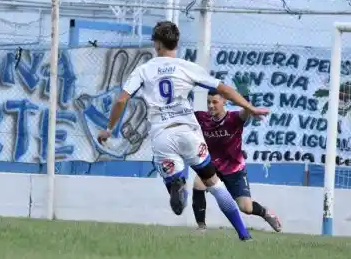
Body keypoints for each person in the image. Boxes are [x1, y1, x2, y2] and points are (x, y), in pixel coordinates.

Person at [97, 21, 269, 241]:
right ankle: (244, 235)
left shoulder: (144, 69)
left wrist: (109, 129)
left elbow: (122, 99)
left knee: (175, 187)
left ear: (157, 44)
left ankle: (176, 185)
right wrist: (250, 107)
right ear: (176, 43)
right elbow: (223, 88)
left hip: (161, 136)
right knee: (214, 184)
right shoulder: (186, 66)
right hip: (188, 132)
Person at [191, 90, 282, 232]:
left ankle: (266, 213)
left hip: (234, 168)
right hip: (212, 165)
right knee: (198, 184)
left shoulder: (234, 118)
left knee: (246, 207)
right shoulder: (201, 117)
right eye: (208, 102)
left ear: (224, 102)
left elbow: (246, 111)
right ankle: (201, 227)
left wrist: (245, 97)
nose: (211, 106)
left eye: (215, 102)